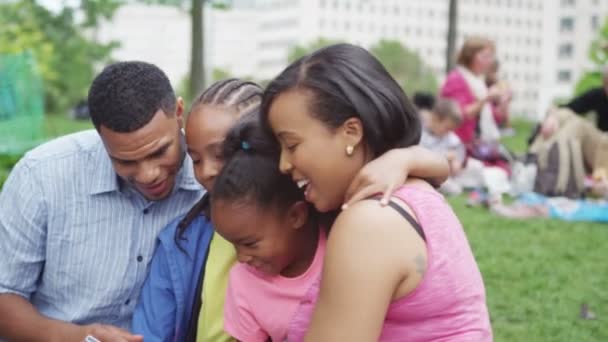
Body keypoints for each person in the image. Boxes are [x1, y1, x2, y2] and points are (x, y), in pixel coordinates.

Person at [132, 79, 451, 341]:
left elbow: (435, 168)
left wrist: (404, 159)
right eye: (196, 158)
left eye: (226, 154)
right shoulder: (182, 239)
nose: (209, 172)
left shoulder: (324, 213)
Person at [262, 43, 492, 341]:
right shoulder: (412, 191)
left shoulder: (370, 221)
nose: (283, 164)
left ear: (351, 132)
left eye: (291, 145)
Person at [0, 61, 203, 341]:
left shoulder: (212, 181)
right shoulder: (41, 177)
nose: (148, 175)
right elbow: (5, 295)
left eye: (159, 152)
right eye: (125, 161)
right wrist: (81, 337)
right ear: (100, 136)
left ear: (179, 113)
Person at [211, 113, 324, 342]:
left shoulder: (341, 245)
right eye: (233, 245)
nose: (241, 258)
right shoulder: (243, 283)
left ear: (296, 216)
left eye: (250, 243)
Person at [441, 36, 505, 144]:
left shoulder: (479, 81)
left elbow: (495, 118)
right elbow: (459, 114)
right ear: (470, 56)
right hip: (459, 144)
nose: (489, 61)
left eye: (490, 57)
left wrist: (503, 102)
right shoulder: (456, 79)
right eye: (485, 56)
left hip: (479, 143)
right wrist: (487, 98)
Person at [420, 98, 466, 195]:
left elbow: (458, 156)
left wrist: (456, 163)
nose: (448, 132)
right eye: (447, 128)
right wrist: (443, 156)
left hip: (448, 175)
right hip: (426, 173)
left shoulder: (451, 138)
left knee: (475, 169)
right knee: (454, 189)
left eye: (451, 129)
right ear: (434, 119)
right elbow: (421, 158)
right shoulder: (421, 134)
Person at [564, 65, 608, 132]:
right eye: (606, 84)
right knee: (578, 125)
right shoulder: (598, 95)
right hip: (601, 138)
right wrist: (554, 117)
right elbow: (569, 108)